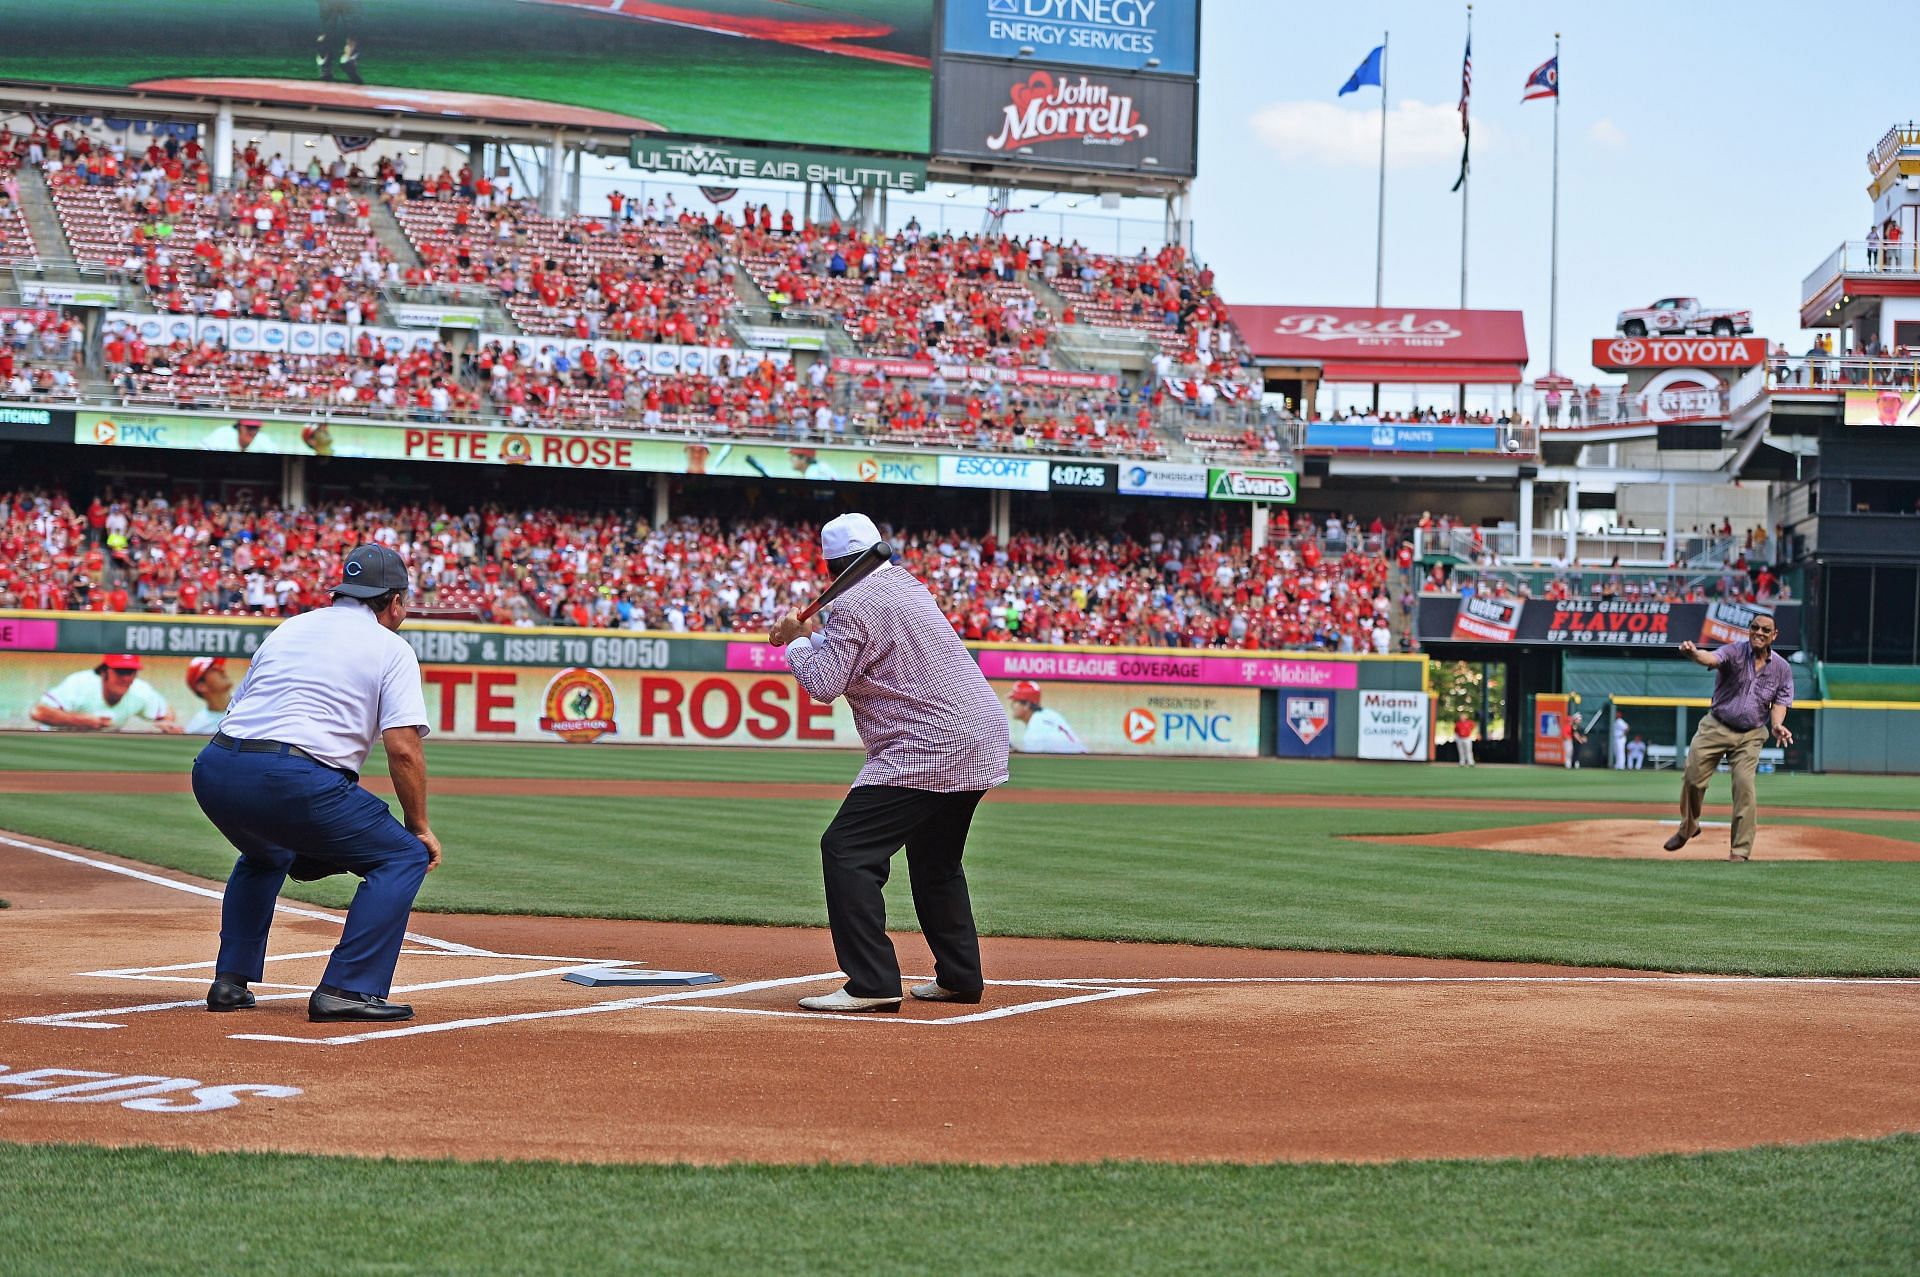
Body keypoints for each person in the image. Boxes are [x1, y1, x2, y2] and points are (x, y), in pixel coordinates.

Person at [770, 513, 1010, 1013]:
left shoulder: (851, 603)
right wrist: (810, 635)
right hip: (980, 732)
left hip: (928, 743)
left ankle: (871, 981)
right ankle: (960, 975)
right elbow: (853, 654)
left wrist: (792, 641)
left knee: (847, 849)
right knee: (935, 859)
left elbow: (823, 684)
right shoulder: (904, 583)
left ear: (831, 564)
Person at [192, 544, 441, 1022]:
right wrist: (419, 825)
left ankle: (229, 981)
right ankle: (347, 989)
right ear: (393, 602)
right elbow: (404, 748)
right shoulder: (392, 647)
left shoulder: (291, 628)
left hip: (216, 767)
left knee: (267, 853)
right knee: (401, 856)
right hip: (290, 777)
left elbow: (236, 711)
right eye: (404, 604)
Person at [1663, 612, 1794, 860]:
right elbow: (1711, 658)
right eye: (1755, 627)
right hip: (1716, 725)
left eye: (1766, 630)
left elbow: (1780, 700)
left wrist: (1777, 724)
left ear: (1774, 635)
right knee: (1692, 778)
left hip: (1751, 734)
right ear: (1749, 629)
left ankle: (1740, 851)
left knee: (1745, 786)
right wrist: (1693, 654)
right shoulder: (1734, 651)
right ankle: (1689, 826)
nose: (1759, 633)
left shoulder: (1781, 668)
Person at [31, 654, 181, 733]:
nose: (127, 678)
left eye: (131, 672)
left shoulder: (139, 690)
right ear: (103, 672)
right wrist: (82, 721)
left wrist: (168, 723)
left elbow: (166, 711)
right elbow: (38, 712)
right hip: (53, 739)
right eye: (121, 672)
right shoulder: (80, 683)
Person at [1008, 681, 1087, 754]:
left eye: (1015, 701)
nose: (1012, 705)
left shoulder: (1035, 730)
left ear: (1027, 705)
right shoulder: (1049, 714)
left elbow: (1035, 764)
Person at [183, 656, 234, 734]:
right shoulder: (197, 727)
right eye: (214, 669)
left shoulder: (250, 701)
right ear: (201, 686)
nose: (222, 670)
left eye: (220, 667)